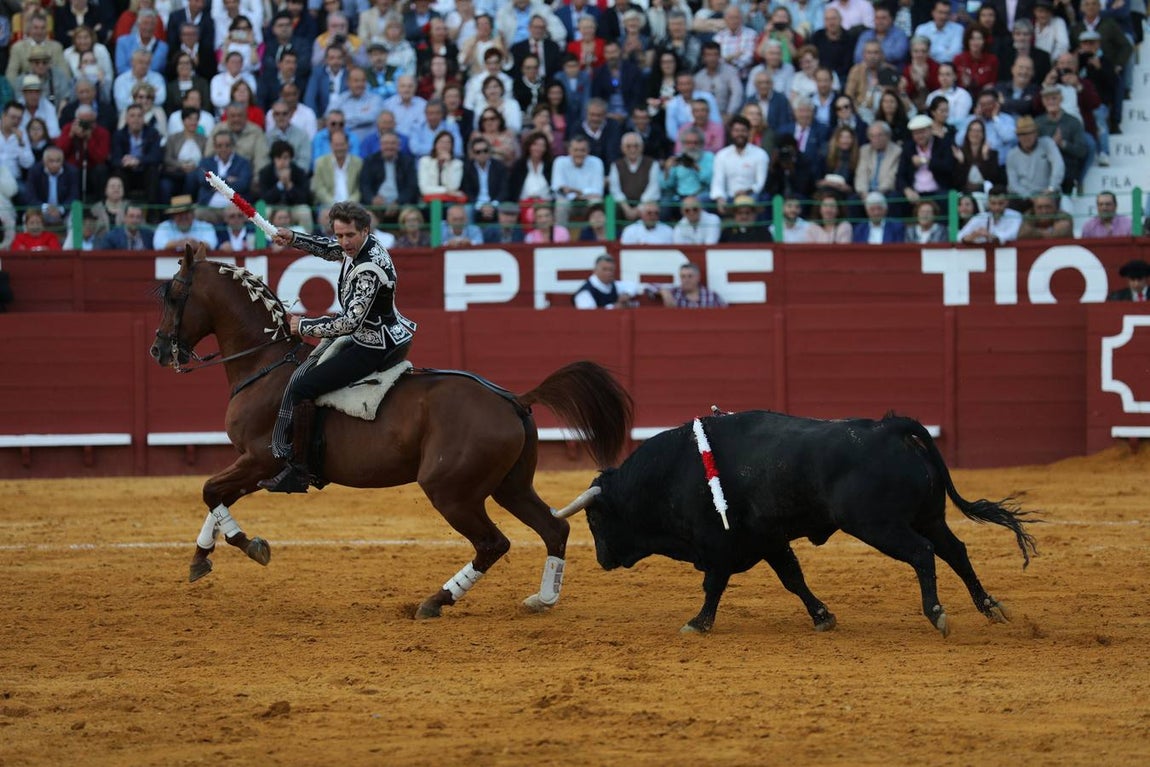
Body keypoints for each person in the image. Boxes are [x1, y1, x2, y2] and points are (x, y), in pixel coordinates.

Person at [260, 201, 415, 493]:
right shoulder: (362, 247)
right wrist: (293, 238)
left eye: (349, 236)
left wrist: (304, 326)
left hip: (374, 345)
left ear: (365, 231)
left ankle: (300, 470)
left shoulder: (369, 267)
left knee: (303, 386)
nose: (344, 242)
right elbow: (330, 250)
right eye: (340, 235)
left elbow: (351, 323)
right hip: (385, 332)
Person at [1005, 115, 1063, 205]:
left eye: (1029, 133)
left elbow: (1058, 165)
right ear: (1018, 136)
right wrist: (1029, 196)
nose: (1026, 137)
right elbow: (1013, 183)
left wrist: (1051, 187)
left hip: (1048, 193)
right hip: (1024, 197)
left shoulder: (1047, 143)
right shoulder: (1012, 155)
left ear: (1036, 133)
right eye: (1022, 134)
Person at [572, 254, 648, 309]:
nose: (608, 273)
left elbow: (633, 285)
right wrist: (613, 308)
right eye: (604, 269)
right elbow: (589, 317)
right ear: (595, 270)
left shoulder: (612, 285)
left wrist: (627, 294)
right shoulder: (585, 293)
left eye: (611, 270)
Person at [958, 185, 1023, 244]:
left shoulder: (1016, 216)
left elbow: (1012, 235)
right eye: (993, 203)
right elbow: (959, 237)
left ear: (1007, 202)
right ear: (988, 203)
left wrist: (990, 237)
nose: (996, 207)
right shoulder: (981, 217)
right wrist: (973, 235)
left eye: (1000, 203)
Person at [659, 262, 727, 308]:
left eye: (690, 276)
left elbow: (725, 315)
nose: (686, 280)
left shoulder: (711, 296)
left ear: (698, 277)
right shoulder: (675, 293)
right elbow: (649, 287)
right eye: (683, 276)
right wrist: (664, 292)